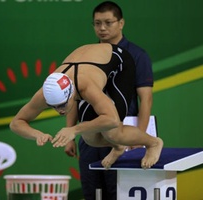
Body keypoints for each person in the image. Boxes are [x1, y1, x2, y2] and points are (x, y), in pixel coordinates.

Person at [10, 43, 163, 174]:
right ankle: (119, 147)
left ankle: (153, 143)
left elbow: (112, 119)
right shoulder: (46, 92)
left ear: (72, 93)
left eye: (63, 105)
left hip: (118, 63)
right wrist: (35, 134)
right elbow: (16, 122)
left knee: (113, 132)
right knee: (90, 138)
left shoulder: (85, 86)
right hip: (88, 65)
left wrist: (74, 130)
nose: (60, 111)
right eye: (53, 107)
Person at [64, 1, 154, 199]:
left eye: (108, 22)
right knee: (91, 191)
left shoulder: (137, 55)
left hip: (120, 132)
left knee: (117, 192)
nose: (102, 28)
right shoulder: (84, 56)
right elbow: (72, 96)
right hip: (89, 135)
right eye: (97, 23)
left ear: (121, 23)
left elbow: (145, 99)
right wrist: (70, 132)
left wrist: (139, 136)